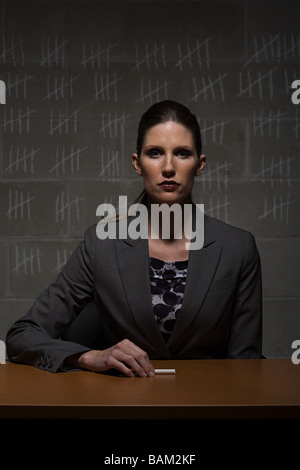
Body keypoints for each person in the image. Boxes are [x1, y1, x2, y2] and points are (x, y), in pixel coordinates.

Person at [6, 100, 262, 377]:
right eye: (154, 153)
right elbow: (23, 334)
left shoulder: (238, 248)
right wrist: (88, 357)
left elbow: (245, 363)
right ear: (137, 163)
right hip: (125, 405)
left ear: (200, 165)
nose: (168, 167)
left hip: (210, 403)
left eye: (182, 153)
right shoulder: (101, 244)